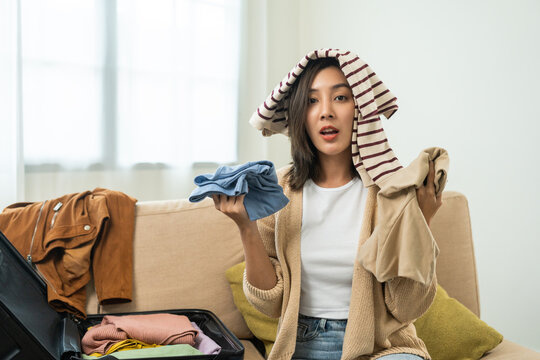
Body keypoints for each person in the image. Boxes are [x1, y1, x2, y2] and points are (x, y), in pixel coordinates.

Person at [213, 50, 443, 360]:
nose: (325, 112)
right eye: (311, 100)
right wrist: (246, 226)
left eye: (340, 98)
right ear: (300, 115)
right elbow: (269, 305)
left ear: (360, 109)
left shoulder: (391, 192)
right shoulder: (279, 191)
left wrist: (421, 221)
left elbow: (406, 308)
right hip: (302, 344)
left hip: (380, 349)